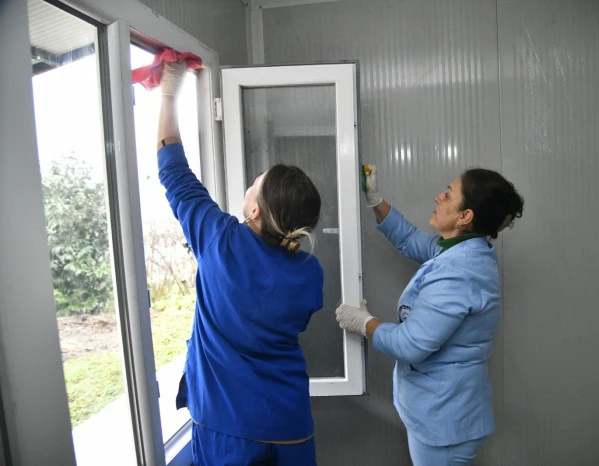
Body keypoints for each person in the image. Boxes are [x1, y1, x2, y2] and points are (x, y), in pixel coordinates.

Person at [157, 61, 323, 465]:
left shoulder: (218, 240)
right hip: (290, 425)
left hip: (227, 427)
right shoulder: (309, 272)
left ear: (254, 212)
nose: (250, 184)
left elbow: (172, 167)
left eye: (255, 184)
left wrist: (168, 92)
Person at [336, 164, 524, 466]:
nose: (438, 197)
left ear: (465, 217)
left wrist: (364, 323)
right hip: (448, 410)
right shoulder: (464, 248)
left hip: (446, 420)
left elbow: (410, 344)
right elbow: (410, 239)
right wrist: (376, 201)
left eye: (448, 194)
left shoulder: (459, 272)